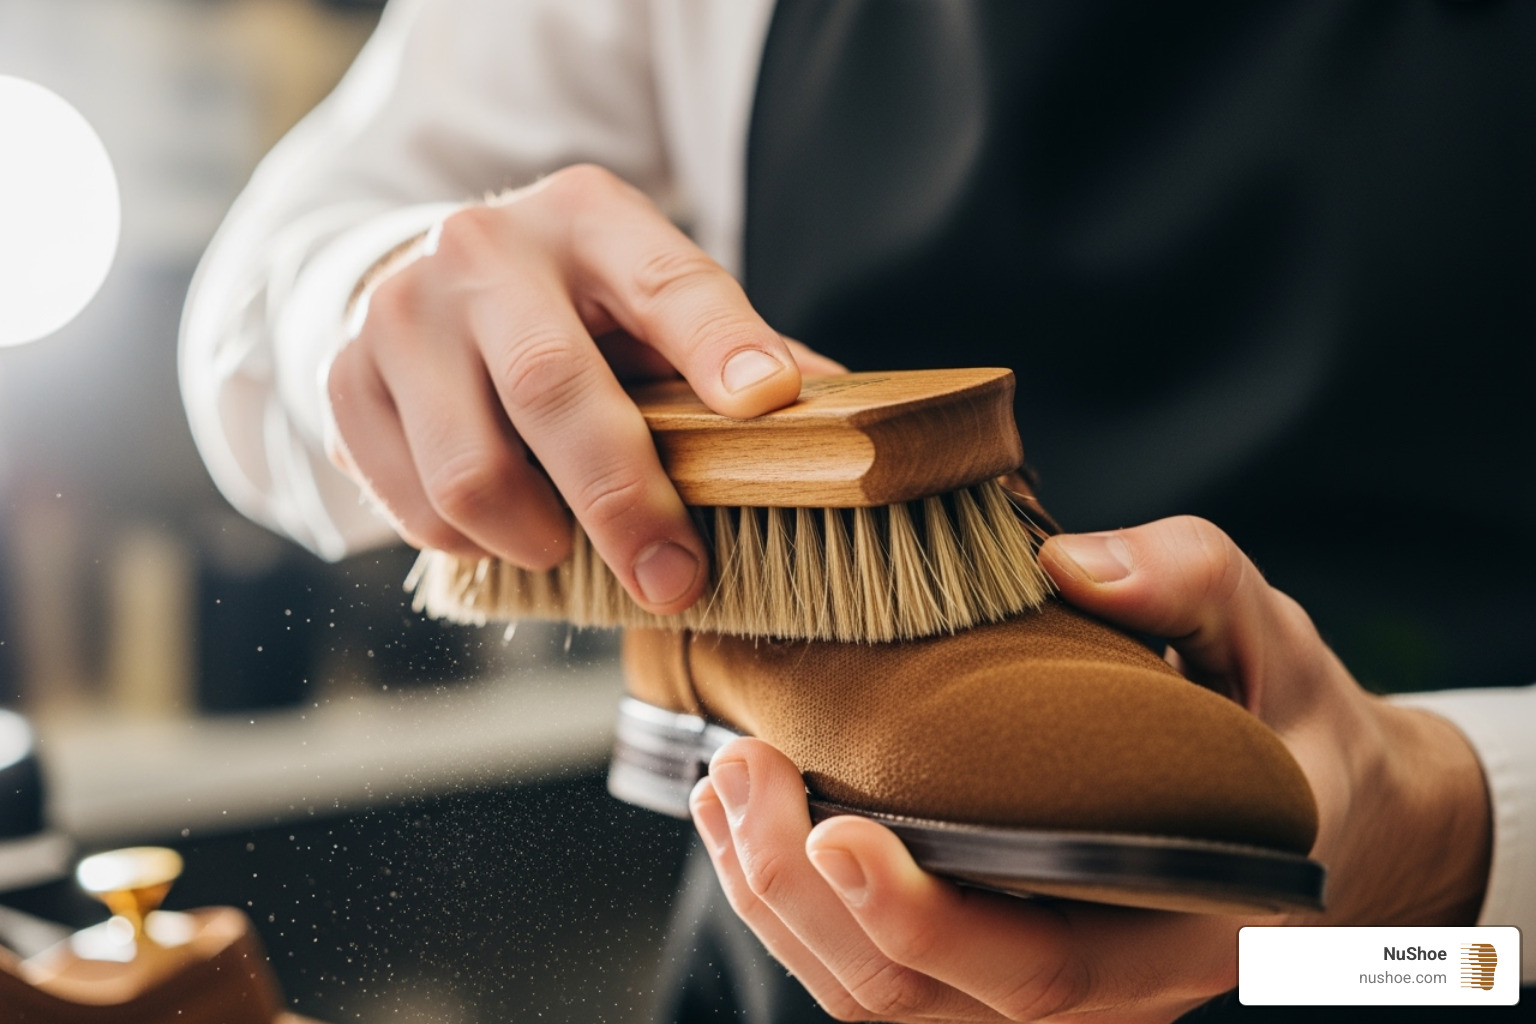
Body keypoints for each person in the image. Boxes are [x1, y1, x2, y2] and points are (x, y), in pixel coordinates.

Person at [180, 1, 1535, 1019]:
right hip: (797, 957)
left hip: (1452, 960)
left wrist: (1459, 834)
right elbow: (278, 267)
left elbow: (1419, 929)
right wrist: (382, 294)